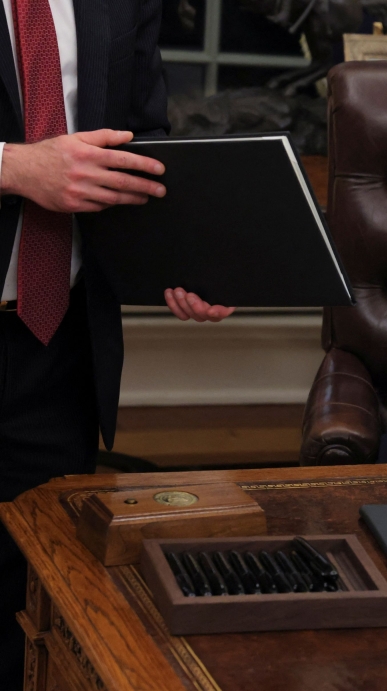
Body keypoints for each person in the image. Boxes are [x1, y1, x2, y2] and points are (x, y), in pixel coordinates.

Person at [0, 0, 231, 684]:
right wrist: (12, 167)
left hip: (58, 342)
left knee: (32, 593)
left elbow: (143, 143)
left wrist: (178, 261)